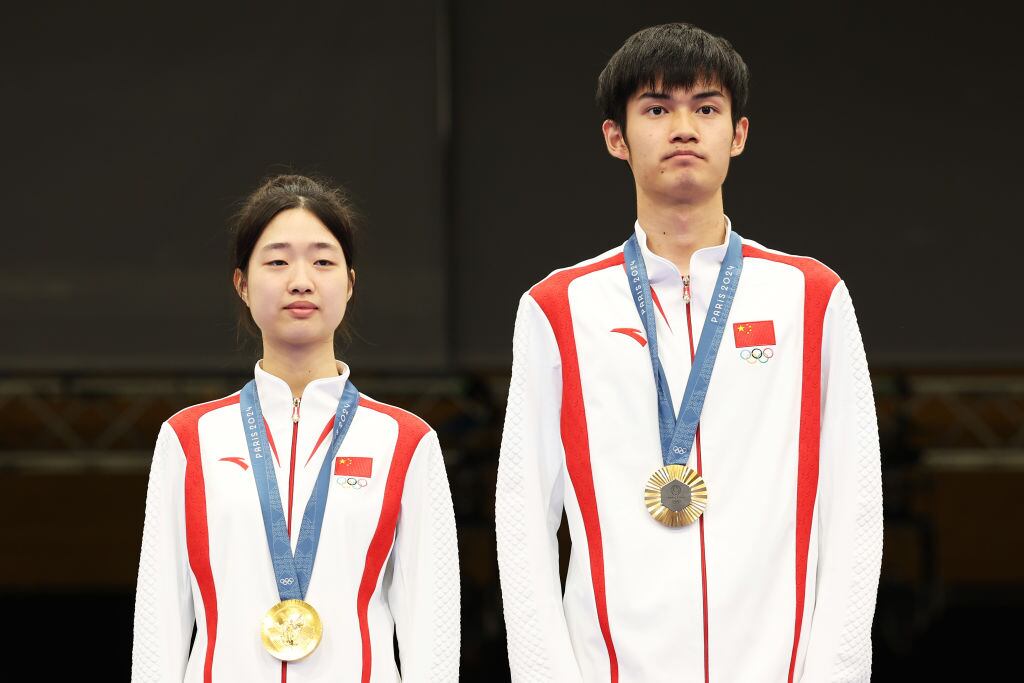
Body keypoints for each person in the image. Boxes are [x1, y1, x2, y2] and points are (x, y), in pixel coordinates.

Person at [496, 23, 882, 683]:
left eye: (705, 108)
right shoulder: (558, 308)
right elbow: (523, 512)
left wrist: (837, 669)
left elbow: (855, 500)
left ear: (738, 134)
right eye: (656, 108)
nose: (683, 126)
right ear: (615, 137)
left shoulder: (809, 296)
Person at [131, 174, 460, 682]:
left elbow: (432, 628)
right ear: (241, 283)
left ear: (350, 282)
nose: (301, 280)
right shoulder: (189, 439)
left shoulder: (406, 442)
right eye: (278, 260)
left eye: (323, 261)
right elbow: (159, 624)